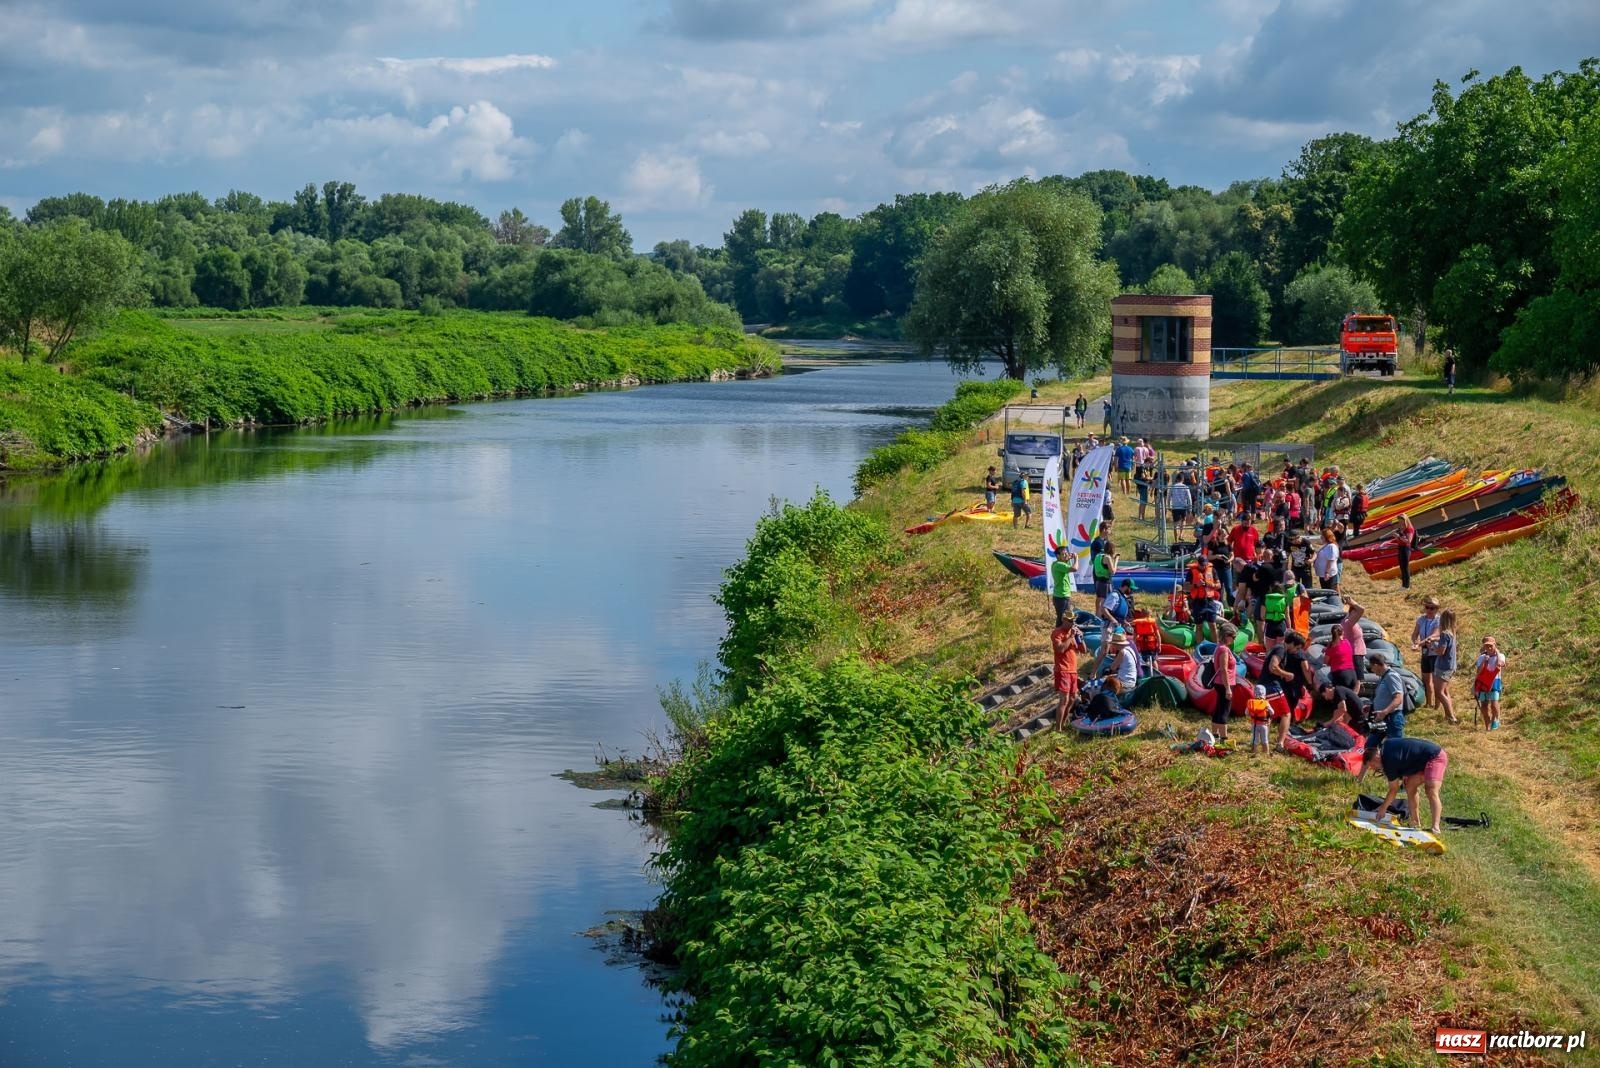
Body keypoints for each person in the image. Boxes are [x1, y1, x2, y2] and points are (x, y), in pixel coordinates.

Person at [1362, 733, 1448, 836]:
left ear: (1376, 757)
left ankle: (1435, 827)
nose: (1374, 769)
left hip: (1435, 756)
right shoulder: (1386, 748)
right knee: (1410, 785)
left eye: (1372, 765)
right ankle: (1415, 823)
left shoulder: (1389, 761)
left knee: (1431, 790)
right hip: (1421, 762)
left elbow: (1393, 790)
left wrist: (1383, 808)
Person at [1051, 616, 1086, 723]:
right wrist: (1070, 636)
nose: (1072, 623)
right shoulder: (1057, 633)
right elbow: (1060, 649)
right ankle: (1058, 728)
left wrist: (1080, 637)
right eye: (1070, 621)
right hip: (1063, 670)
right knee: (1064, 700)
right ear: (1064, 620)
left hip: (1073, 671)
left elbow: (1084, 650)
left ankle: (1064, 722)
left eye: (1074, 621)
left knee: (1071, 699)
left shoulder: (1074, 633)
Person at [1411, 596, 1442, 711]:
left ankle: (1437, 705)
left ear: (1436, 609)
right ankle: (1429, 702)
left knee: (1436, 681)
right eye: (1427, 607)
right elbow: (1415, 633)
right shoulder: (1421, 619)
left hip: (1435, 652)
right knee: (1425, 679)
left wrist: (1418, 644)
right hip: (1425, 652)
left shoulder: (1439, 620)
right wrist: (1415, 641)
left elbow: (1433, 635)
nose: (1429, 610)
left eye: (1432, 608)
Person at [1367, 652, 1408, 738]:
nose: (1371, 670)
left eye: (1371, 667)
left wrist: (1384, 712)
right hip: (1381, 718)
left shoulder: (1391, 676)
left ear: (1376, 665)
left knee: (1395, 746)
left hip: (1392, 717)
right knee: (1370, 746)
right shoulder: (1383, 677)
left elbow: (1398, 698)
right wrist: (1372, 706)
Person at [1432, 609, 1460, 726]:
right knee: (1445, 691)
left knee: (1439, 693)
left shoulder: (1444, 634)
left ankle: (1452, 717)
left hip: (1443, 666)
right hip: (1450, 665)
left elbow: (1441, 651)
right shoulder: (1452, 633)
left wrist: (1432, 645)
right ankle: (1448, 715)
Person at [1211, 623, 1238, 741]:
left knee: (1219, 708)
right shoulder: (1224, 650)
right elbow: (1223, 669)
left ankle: (1214, 734)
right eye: (1233, 637)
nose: (1234, 639)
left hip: (1220, 682)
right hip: (1224, 683)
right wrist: (1227, 688)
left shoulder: (1219, 647)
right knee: (1224, 710)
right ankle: (1224, 738)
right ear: (1227, 635)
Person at [1186, 555, 1222, 645]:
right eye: (1202, 565)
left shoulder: (1212, 570)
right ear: (1198, 563)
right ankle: (1200, 646)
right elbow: (1185, 587)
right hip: (1198, 601)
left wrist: (1211, 585)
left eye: (1205, 564)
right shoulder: (1191, 572)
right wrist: (1196, 585)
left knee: (1213, 625)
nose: (1204, 566)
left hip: (1210, 601)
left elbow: (1219, 585)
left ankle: (1216, 645)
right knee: (1199, 626)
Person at [1472, 636, 1506, 730]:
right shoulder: (1482, 657)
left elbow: (1501, 664)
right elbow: (1478, 671)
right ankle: (1487, 722)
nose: (1489, 648)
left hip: (1495, 681)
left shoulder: (1500, 655)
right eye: (1487, 646)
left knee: (1494, 703)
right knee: (1484, 704)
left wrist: (1497, 653)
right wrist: (1484, 661)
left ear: (1494, 645)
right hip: (1483, 682)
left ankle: (1496, 719)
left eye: (1491, 646)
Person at [1324, 625, 1358, 691]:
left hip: (1341, 675)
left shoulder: (1331, 646)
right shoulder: (1347, 642)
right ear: (1342, 632)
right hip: (1353, 674)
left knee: (1340, 699)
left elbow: (1325, 661)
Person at [1340, 596, 1368, 675]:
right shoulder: (1349, 622)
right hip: (1356, 655)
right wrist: (1351, 601)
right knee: (1358, 680)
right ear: (1353, 612)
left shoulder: (1346, 621)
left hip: (1354, 654)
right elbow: (1361, 610)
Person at [1092, 539, 1118, 621]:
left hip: (1098, 581)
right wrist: (1116, 560)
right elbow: (1113, 571)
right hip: (1105, 582)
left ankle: (1097, 616)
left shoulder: (1098, 555)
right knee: (1105, 601)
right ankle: (1103, 617)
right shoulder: (1107, 558)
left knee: (1099, 598)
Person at [1049, 545, 1073, 628]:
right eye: (1063, 554)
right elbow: (1075, 568)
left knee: (1062, 617)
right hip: (1062, 596)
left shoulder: (1057, 563)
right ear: (1057, 556)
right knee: (1064, 618)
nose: (1066, 555)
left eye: (1066, 553)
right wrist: (1076, 559)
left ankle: (1059, 635)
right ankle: (1058, 636)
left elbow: (1065, 566)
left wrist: (1067, 559)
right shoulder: (1059, 564)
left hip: (1061, 595)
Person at [1247, 684, 1272, 754]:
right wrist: (1267, 710)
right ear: (1264, 694)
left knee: (1255, 738)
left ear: (1254, 693)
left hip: (1254, 724)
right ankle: (1266, 752)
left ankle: (1253, 751)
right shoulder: (1266, 703)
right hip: (1264, 724)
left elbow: (1246, 713)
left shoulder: (1250, 702)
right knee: (1265, 739)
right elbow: (1272, 712)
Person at [1396, 512, 1419, 589]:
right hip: (1400, 547)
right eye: (1399, 520)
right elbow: (1400, 539)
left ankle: (1407, 586)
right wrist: (1397, 537)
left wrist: (1399, 537)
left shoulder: (1409, 528)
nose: (1400, 522)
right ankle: (1403, 585)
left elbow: (1408, 541)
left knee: (1405, 567)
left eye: (1401, 520)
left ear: (1405, 520)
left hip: (1406, 549)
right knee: (1401, 567)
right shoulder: (1401, 528)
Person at [1169, 477, 1193, 541]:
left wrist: (1169, 506)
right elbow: (1189, 498)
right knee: (1183, 521)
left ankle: (1176, 540)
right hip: (1183, 507)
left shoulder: (1172, 487)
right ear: (1183, 479)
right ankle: (1181, 535)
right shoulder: (1185, 487)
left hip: (1175, 507)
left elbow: (1169, 497)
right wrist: (1190, 508)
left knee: (1175, 524)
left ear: (1176, 479)